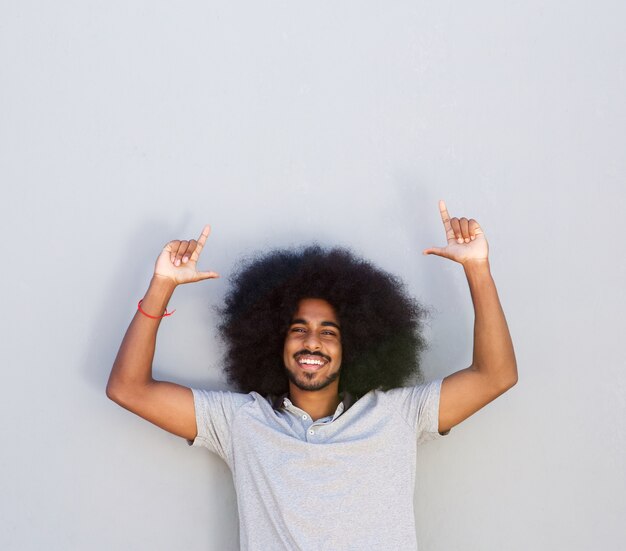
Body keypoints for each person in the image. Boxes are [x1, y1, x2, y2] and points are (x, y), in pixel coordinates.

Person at [106, 200, 517, 551]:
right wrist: (161, 285)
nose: (312, 342)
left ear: (353, 345)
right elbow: (128, 388)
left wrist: (477, 269)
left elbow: (495, 375)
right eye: (298, 328)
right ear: (274, 341)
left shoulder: (399, 415)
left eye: (329, 332)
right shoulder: (239, 423)